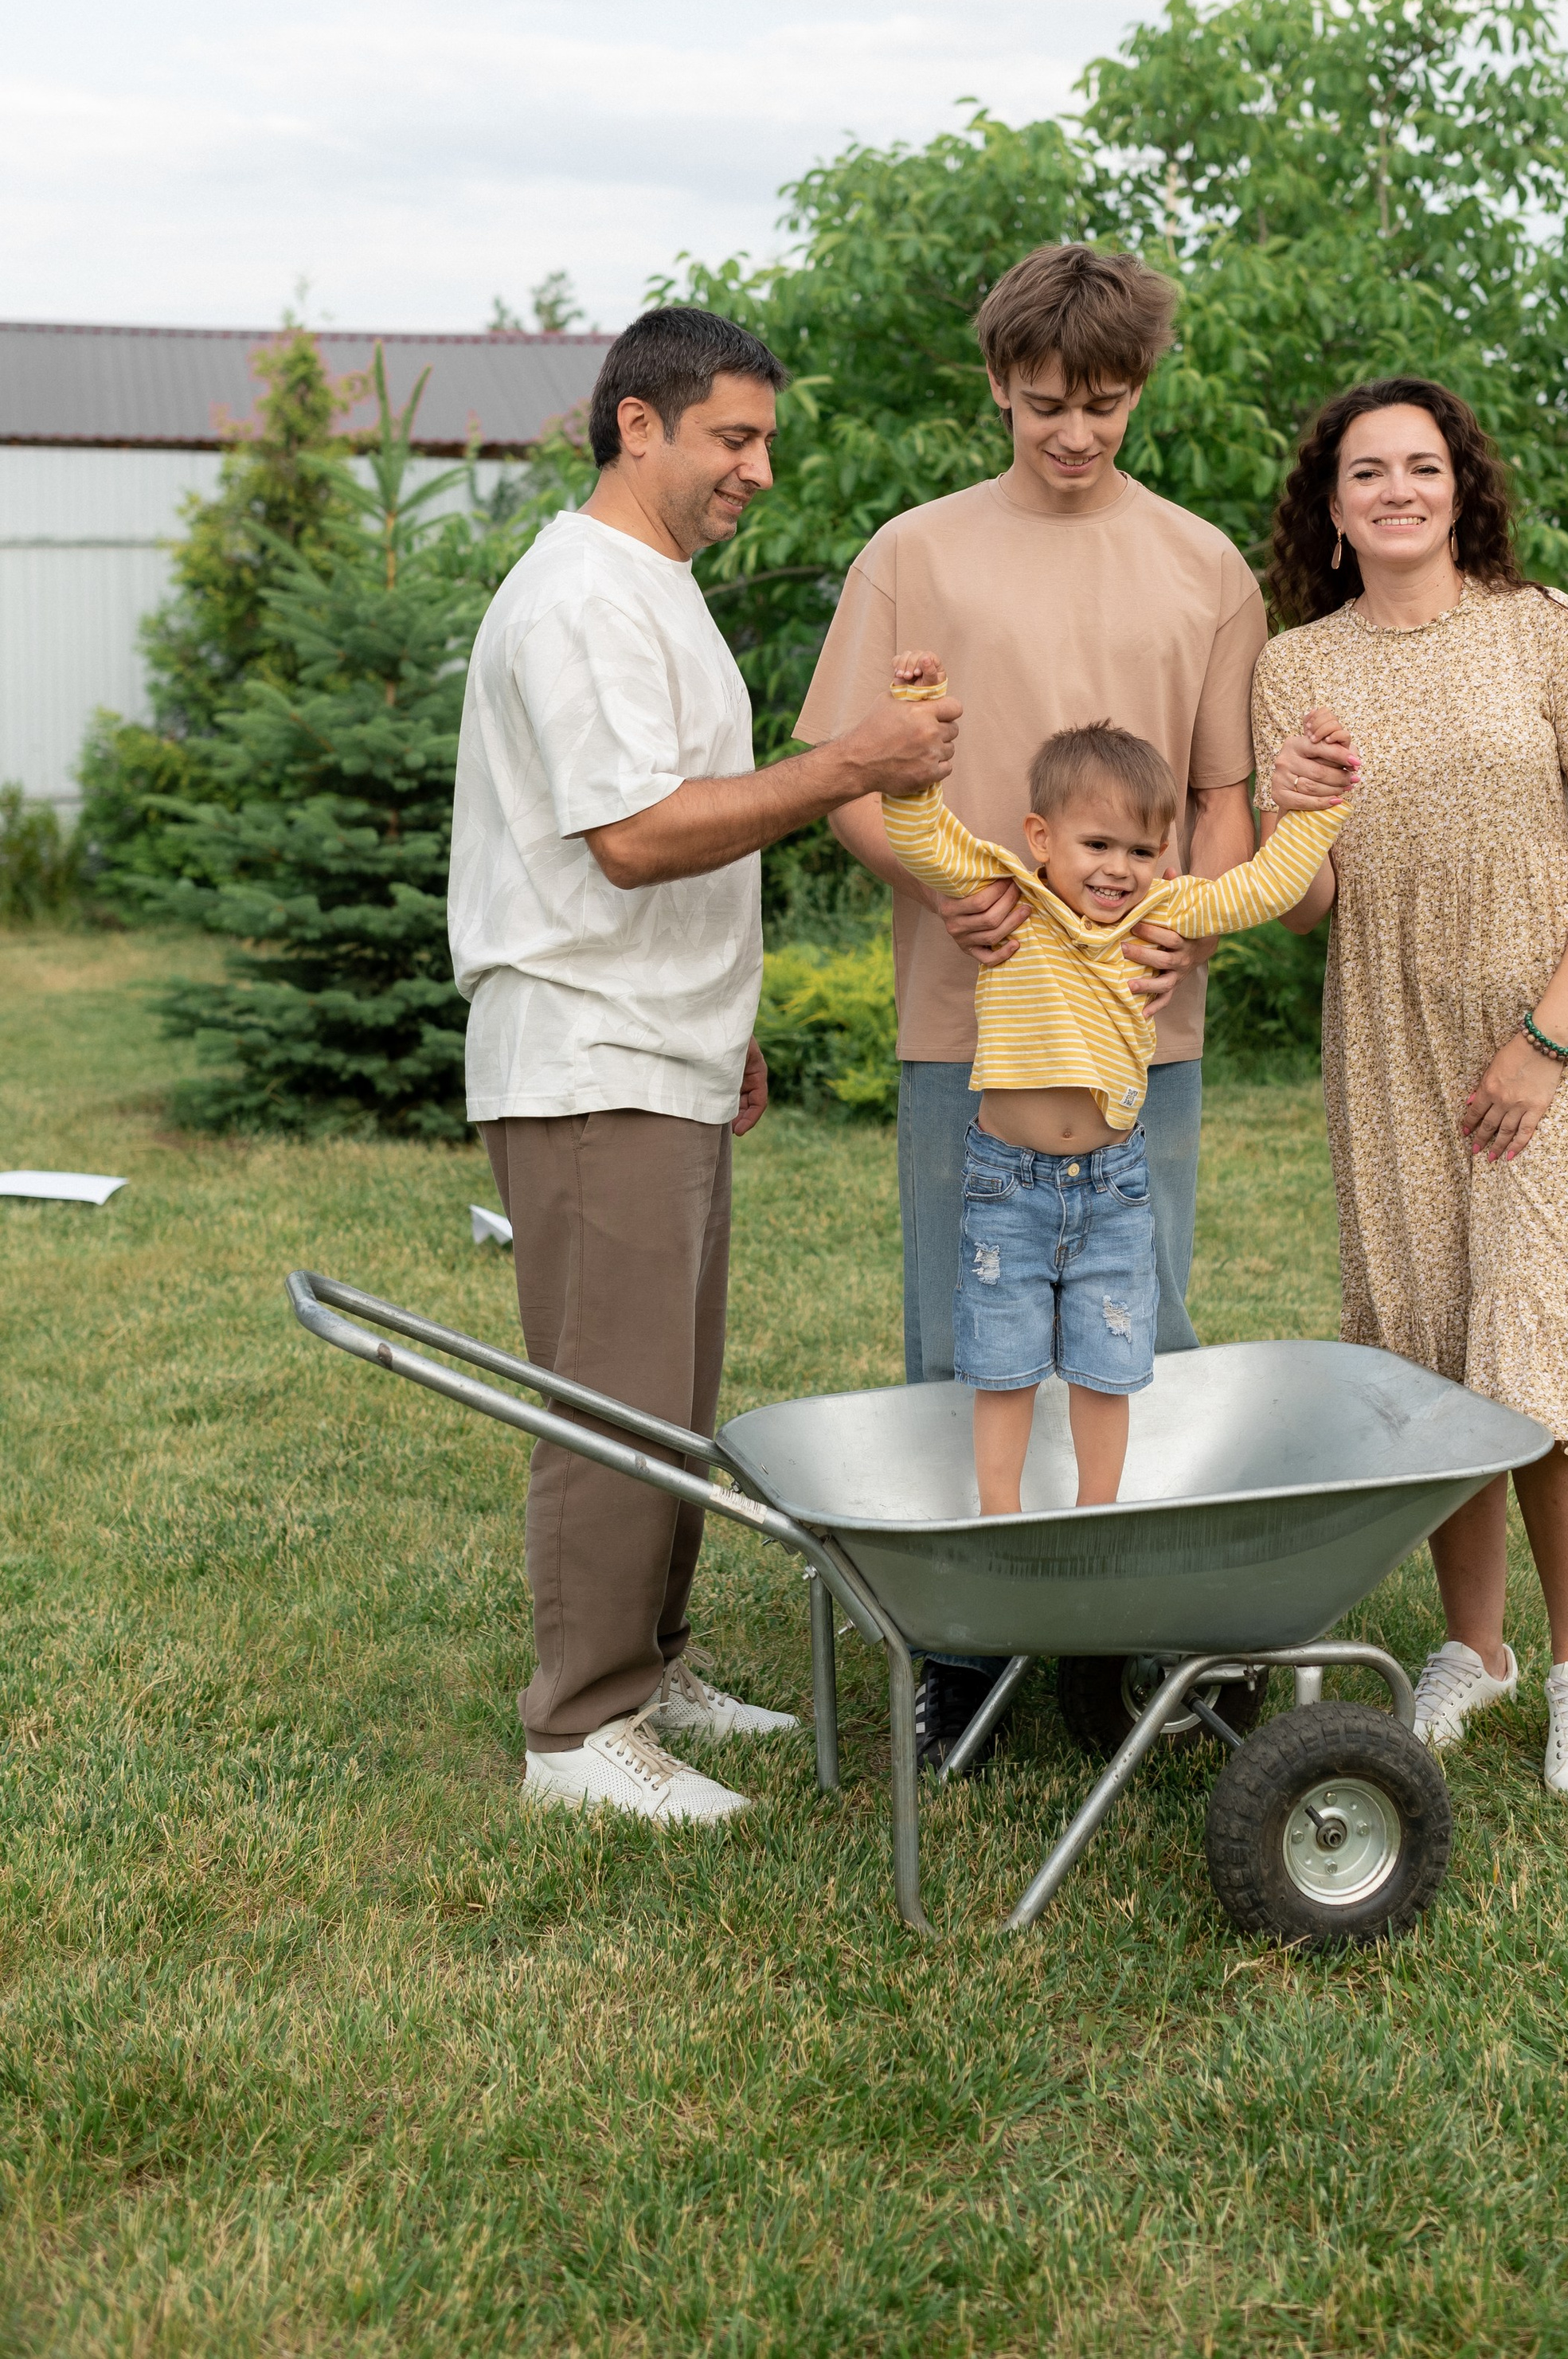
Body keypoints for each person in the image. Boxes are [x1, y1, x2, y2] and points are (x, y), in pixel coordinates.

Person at [449, 304, 961, 1829]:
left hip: (661, 1046)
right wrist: (850, 767)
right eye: (733, 439)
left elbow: (676, 829)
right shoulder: (580, 601)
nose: (756, 472)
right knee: (606, 1399)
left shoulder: (655, 588)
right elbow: (635, 838)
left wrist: (724, 1025)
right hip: (587, 1049)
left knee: (667, 1390)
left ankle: (650, 1665)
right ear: (639, 425)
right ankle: (578, 1730)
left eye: (764, 445)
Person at [793, 242, 1272, 1768]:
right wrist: (942, 888)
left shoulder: (1204, 569)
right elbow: (846, 783)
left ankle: (1146, 1637)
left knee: (1146, 1326)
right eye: (1049, 403)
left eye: (1108, 404)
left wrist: (1186, 938)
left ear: (1141, 392)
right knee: (971, 1334)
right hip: (968, 1029)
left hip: (1143, 1040)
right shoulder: (912, 553)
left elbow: (1223, 801)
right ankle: (971, 1650)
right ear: (997, 384)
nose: (1078, 433)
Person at [1251, 374, 1568, 1798]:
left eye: (1420, 466)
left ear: (1459, 484)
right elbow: (1298, 906)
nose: (1396, 491)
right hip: (1388, 1038)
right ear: (1332, 505)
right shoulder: (1294, 669)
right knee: (1437, 1349)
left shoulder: (1541, 629)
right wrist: (1296, 808)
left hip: (1553, 1036)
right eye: (1366, 472)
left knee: (1540, 1340)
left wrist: (1544, 1041)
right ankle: (1474, 1650)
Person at [879, 656, 1355, 1512]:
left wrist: (1315, 810)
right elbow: (918, 834)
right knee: (1000, 1361)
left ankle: (1099, 1517)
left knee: (1109, 1360)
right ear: (1039, 837)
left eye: (1142, 850)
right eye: (1097, 844)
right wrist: (915, 714)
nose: (1120, 868)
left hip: (1111, 1186)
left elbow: (1266, 885)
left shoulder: (1160, 914)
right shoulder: (1011, 897)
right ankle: (1001, 1519)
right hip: (1006, 1182)